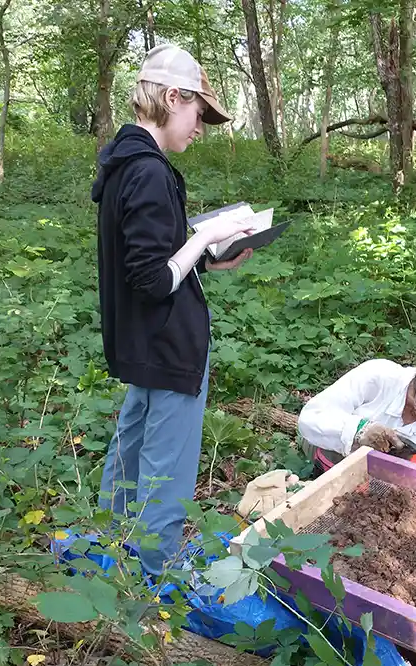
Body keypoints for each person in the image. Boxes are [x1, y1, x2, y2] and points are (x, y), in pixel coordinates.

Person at [92, 43, 254, 577]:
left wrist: (206, 261)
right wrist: (205, 233)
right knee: (167, 469)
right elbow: (151, 278)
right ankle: (152, 577)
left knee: (132, 446)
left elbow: (150, 260)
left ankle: (107, 547)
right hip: (169, 344)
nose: (201, 127)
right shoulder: (151, 172)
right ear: (172, 96)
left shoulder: (124, 163)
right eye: (198, 113)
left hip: (142, 341)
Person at [297, 359, 416, 478]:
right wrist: (360, 430)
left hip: (387, 474)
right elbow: (311, 418)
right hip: (333, 451)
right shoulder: (378, 377)